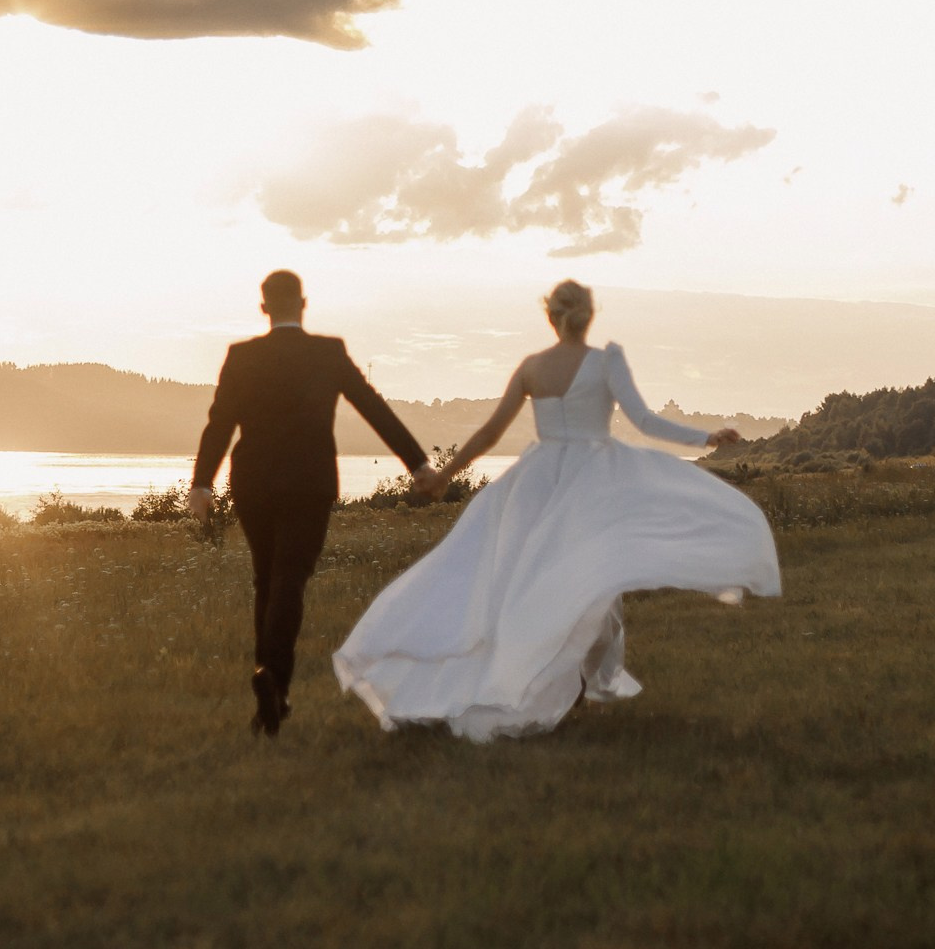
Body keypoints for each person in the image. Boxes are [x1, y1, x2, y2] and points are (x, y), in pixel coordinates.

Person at [333, 277, 780, 741]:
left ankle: (559, 674)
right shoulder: (605, 361)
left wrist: (445, 475)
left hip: (537, 481)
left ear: (551, 316)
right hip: (592, 480)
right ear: (589, 314)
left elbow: (489, 433)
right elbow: (644, 420)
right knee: (586, 577)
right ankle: (566, 678)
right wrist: (704, 437)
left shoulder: (532, 367)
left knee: (537, 578)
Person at [190, 268, 435, 738]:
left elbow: (219, 422)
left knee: (267, 578)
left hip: (253, 482)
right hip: (309, 481)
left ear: (264, 308)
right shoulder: (328, 352)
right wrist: (418, 464)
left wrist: (203, 482)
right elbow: (373, 407)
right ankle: (274, 679)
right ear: (304, 304)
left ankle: (270, 685)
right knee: (289, 579)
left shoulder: (241, 356)